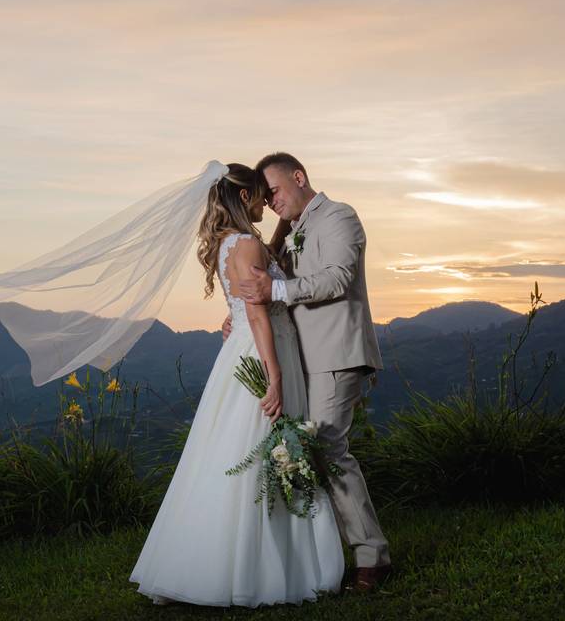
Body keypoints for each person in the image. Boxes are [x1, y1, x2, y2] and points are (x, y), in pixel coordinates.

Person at [128, 163, 344, 607]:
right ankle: (253, 570)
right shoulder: (246, 243)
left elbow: (246, 305)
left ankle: (205, 562)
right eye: (260, 194)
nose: (267, 201)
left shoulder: (229, 244)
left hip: (243, 350)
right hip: (262, 354)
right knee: (259, 452)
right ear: (244, 198)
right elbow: (260, 312)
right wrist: (275, 375)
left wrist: (238, 317)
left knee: (232, 453)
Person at [232, 151, 391, 592]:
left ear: (299, 177)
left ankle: (371, 558)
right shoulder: (289, 231)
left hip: (337, 353)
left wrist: (277, 287)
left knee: (327, 448)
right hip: (301, 358)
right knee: (306, 450)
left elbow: (338, 277)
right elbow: (263, 285)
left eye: (275, 191)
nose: (272, 203)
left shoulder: (340, 216)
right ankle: (317, 558)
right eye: (265, 196)